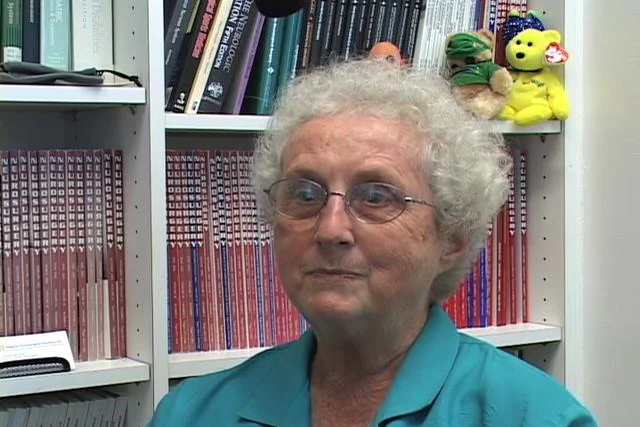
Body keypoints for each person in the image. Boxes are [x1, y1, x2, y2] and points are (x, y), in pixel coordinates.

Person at [149, 59, 597, 426]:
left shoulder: (535, 417)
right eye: (305, 194)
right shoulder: (191, 414)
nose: (331, 230)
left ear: (452, 239)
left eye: (377, 197)